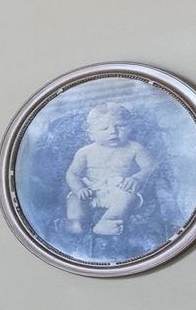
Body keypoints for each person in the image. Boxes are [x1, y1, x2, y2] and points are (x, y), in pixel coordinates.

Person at [63, 102, 157, 237]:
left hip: (120, 189)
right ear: (91, 134)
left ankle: (108, 221)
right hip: (91, 191)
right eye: (104, 128)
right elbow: (72, 174)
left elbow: (150, 167)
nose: (113, 131)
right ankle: (75, 222)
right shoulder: (85, 152)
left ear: (130, 127)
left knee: (128, 196)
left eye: (120, 126)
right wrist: (79, 189)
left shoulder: (135, 148)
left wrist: (137, 178)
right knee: (73, 198)